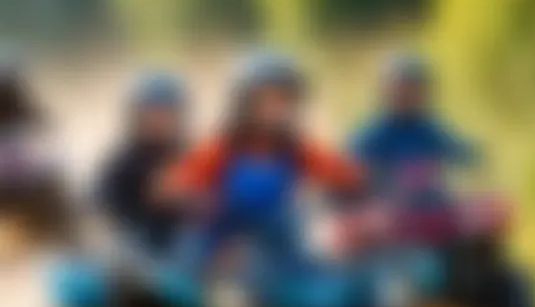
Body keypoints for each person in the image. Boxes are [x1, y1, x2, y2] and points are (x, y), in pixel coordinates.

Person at [158, 50, 365, 269]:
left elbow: (348, 175)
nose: (275, 109)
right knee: (193, 258)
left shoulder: (297, 147)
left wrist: (348, 192)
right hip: (220, 237)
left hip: (276, 238)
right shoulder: (222, 146)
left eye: (284, 100)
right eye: (265, 100)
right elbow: (172, 188)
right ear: (244, 103)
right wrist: (197, 199)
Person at [348, 52, 479, 206]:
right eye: (402, 88)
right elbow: (353, 170)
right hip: (388, 208)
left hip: (433, 204)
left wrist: (470, 155)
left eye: (415, 89)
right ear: (386, 91)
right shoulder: (372, 133)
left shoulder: (429, 129)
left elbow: (460, 152)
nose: (407, 95)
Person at [93, 71, 189, 251]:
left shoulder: (191, 156)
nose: (158, 121)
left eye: (166, 113)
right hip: (137, 246)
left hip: (184, 248)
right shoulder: (120, 165)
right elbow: (105, 212)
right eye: (151, 113)